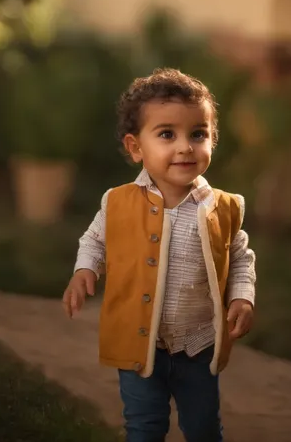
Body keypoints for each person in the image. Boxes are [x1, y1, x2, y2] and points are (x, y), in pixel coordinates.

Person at [62, 67, 256, 442]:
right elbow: (94, 240)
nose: (185, 146)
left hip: (198, 345)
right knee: (144, 426)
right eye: (167, 134)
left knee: (202, 428)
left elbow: (240, 254)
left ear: (212, 139)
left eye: (198, 134)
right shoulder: (117, 202)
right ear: (136, 147)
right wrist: (84, 269)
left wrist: (242, 296)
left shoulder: (222, 207)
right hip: (141, 346)